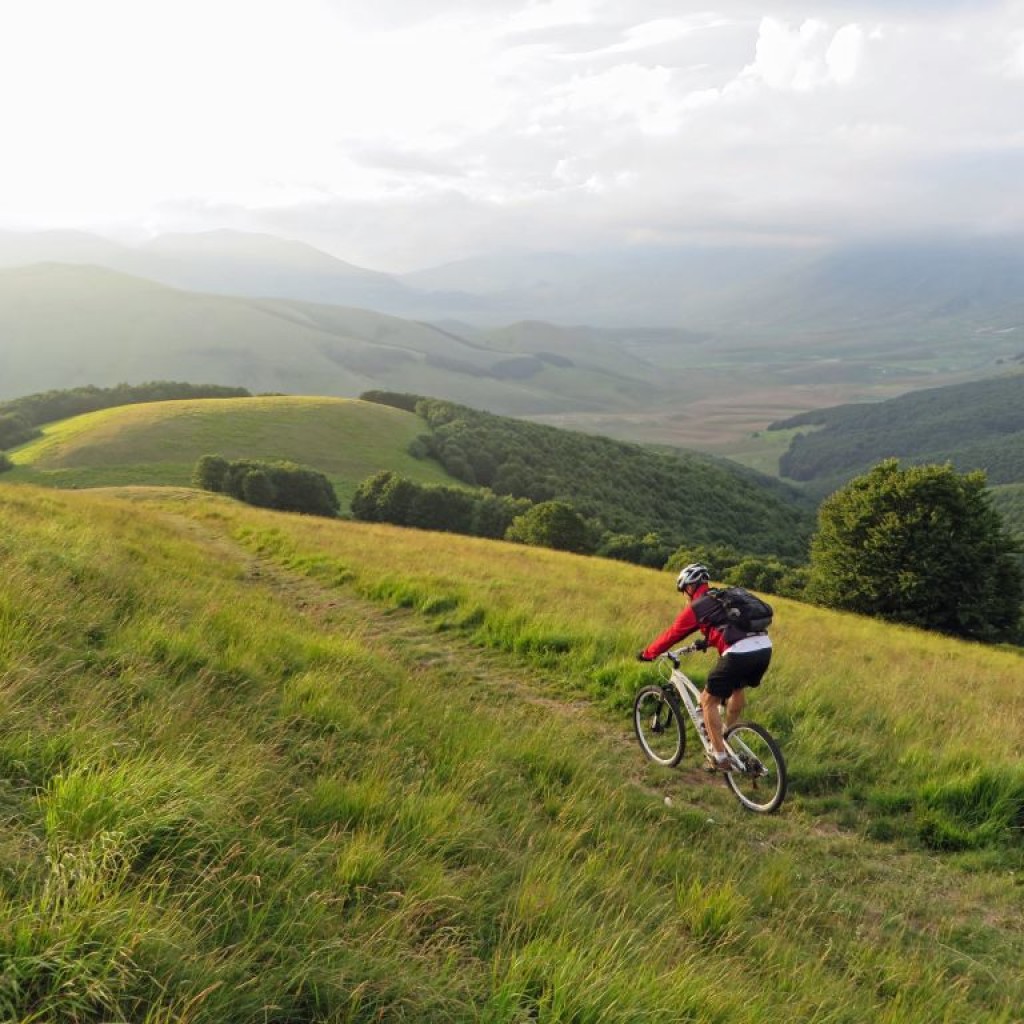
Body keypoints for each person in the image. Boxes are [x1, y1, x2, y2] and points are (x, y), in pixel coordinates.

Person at [637, 563, 772, 771]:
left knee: (707, 701)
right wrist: (707, 641)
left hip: (738, 653)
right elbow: (728, 626)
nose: (685, 596)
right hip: (763, 648)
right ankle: (727, 735)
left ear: (690, 588)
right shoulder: (722, 598)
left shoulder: (697, 606)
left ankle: (718, 756)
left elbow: (673, 634)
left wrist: (649, 653)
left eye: (684, 591)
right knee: (737, 688)